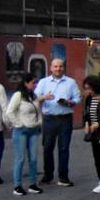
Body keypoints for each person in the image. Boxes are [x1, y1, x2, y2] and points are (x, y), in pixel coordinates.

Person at [36, 58, 80, 187]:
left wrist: (70, 102)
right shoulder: (43, 82)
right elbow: (35, 97)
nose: (58, 69)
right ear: (50, 68)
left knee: (64, 148)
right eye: (55, 66)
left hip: (65, 119)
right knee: (47, 148)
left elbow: (77, 98)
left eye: (60, 66)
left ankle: (63, 177)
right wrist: (44, 97)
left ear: (63, 68)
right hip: (49, 119)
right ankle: (48, 175)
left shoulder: (71, 82)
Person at [4, 72, 43, 196]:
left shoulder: (33, 95)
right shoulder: (18, 95)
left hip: (33, 130)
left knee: (33, 158)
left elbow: (38, 110)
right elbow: (9, 111)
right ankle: (17, 185)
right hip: (21, 130)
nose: (35, 85)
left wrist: (39, 122)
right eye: (33, 82)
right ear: (26, 83)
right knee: (20, 158)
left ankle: (32, 184)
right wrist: (18, 123)